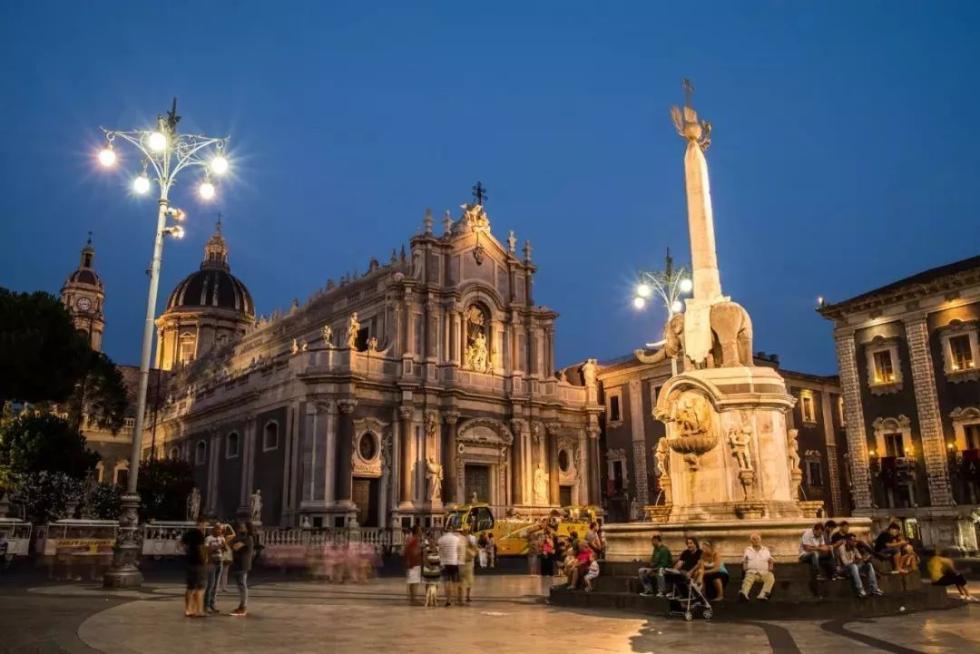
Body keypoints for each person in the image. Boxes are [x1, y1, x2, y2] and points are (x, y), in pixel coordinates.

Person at [838, 533, 883, 598]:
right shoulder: (841, 548)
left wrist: (864, 559)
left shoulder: (854, 548)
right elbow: (845, 563)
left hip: (854, 568)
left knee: (869, 565)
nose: (854, 542)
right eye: (852, 540)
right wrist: (857, 561)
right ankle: (860, 590)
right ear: (847, 540)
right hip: (844, 569)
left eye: (854, 541)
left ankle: (874, 589)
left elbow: (859, 557)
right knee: (854, 566)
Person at [180, 516, 208, 618]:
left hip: (189, 563)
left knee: (190, 587)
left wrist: (187, 552)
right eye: (205, 524)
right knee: (200, 588)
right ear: (202, 523)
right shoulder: (200, 535)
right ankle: (198, 610)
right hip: (198, 563)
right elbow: (201, 548)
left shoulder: (189, 533)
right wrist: (204, 560)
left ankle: (188, 609)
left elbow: (180, 544)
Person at [227, 520, 255, 617]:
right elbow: (231, 544)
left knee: (242, 586)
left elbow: (234, 547)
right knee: (240, 585)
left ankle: (243, 607)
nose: (240, 528)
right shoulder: (241, 537)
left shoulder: (248, 538)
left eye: (243, 526)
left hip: (243, 565)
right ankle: (241, 606)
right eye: (240, 526)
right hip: (238, 564)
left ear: (247, 528)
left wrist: (233, 542)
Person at [739, 532, 775, 601]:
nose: (756, 540)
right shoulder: (747, 549)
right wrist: (745, 567)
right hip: (752, 572)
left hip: (764, 572)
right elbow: (745, 560)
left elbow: (770, 560)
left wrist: (771, 566)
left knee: (771, 577)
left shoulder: (765, 550)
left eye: (757, 539)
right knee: (747, 579)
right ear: (751, 541)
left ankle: (763, 594)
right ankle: (744, 594)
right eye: (754, 539)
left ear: (760, 540)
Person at [203, 523, 226, 613]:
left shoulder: (222, 538)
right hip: (211, 563)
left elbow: (224, 550)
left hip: (219, 562)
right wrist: (218, 546)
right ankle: (206, 605)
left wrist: (224, 546)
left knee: (216, 586)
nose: (219, 531)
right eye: (217, 529)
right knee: (211, 584)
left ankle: (212, 604)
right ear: (214, 529)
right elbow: (206, 549)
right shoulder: (209, 538)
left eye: (220, 529)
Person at [437, 526, 460, 607]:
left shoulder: (440, 539)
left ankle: (448, 600)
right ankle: (456, 600)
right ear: (451, 530)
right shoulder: (456, 539)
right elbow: (458, 550)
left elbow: (439, 552)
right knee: (455, 583)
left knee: (446, 582)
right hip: (454, 562)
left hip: (444, 563)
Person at [404, 525, 423, 605]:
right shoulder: (414, 540)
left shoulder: (411, 539)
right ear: (417, 531)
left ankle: (412, 599)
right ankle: (413, 599)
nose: (421, 532)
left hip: (412, 562)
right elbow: (410, 550)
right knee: (414, 582)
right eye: (420, 530)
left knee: (412, 582)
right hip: (414, 563)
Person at [459, 526, 478, 604]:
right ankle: (466, 596)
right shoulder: (471, 538)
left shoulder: (459, 539)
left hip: (462, 563)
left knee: (463, 581)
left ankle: (462, 597)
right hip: (468, 563)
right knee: (467, 581)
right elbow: (475, 550)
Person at [422, 534, 442, 607]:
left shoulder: (438, 549)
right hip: (428, 569)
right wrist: (429, 566)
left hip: (436, 570)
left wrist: (438, 566)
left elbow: (440, 558)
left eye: (433, 540)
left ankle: (434, 600)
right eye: (430, 541)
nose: (431, 542)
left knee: (435, 585)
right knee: (428, 585)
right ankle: (427, 600)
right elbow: (424, 559)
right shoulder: (425, 549)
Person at [218, 523, 235, 592]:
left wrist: (228, 526)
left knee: (223, 572)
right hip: (223, 554)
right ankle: (222, 587)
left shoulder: (224, 537)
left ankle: (223, 587)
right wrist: (229, 526)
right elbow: (234, 534)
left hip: (225, 554)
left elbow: (234, 534)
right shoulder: (222, 537)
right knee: (222, 572)